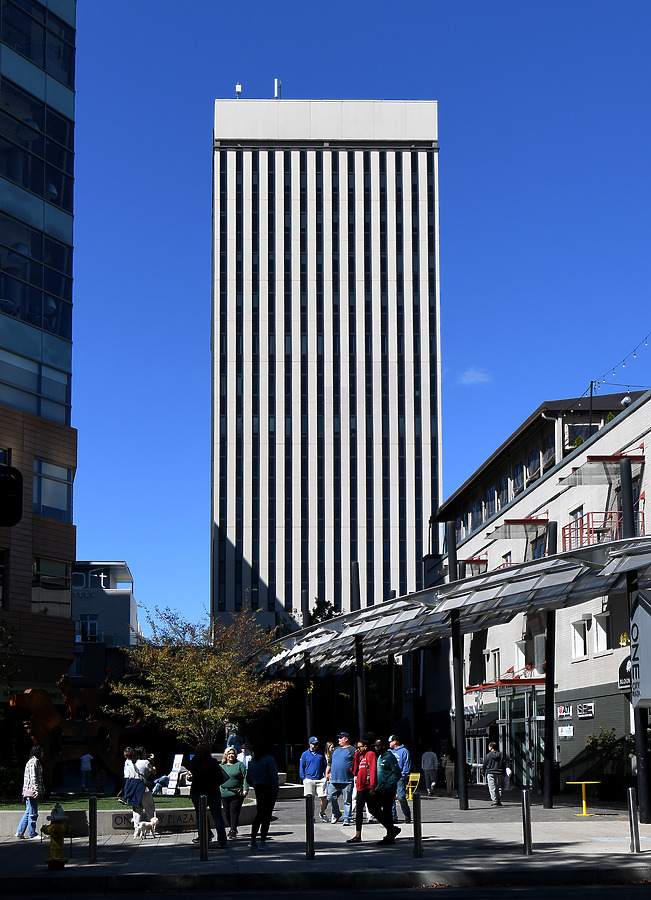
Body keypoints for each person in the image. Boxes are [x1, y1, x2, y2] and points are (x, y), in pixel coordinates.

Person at [188, 743, 228, 847]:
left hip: (197, 791)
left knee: (200, 816)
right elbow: (220, 777)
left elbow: (194, 775)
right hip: (213, 791)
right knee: (218, 816)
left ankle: (204, 838)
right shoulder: (213, 762)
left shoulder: (194, 763)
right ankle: (222, 841)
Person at [368, 736, 402, 845]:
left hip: (387, 790)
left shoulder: (389, 757)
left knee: (386, 811)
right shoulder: (381, 757)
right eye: (375, 746)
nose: (376, 748)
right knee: (373, 808)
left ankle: (390, 834)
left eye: (378, 746)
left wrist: (387, 786)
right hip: (380, 788)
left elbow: (397, 773)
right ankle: (391, 829)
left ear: (384, 746)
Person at [346, 733, 377, 844]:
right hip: (360, 787)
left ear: (365, 746)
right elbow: (354, 771)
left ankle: (390, 828)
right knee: (359, 811)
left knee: (373, 810)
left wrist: (372, 786)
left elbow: (372, 771)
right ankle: (358, 835)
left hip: (368, 787)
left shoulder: (370, 754)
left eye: (359, 747)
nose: (358, 749)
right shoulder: (361, 756)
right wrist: (356, 757)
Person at [247, 743, 279, 850]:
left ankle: (252, 840)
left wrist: (255, 784)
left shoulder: (252, 763)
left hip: (258, 788)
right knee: (266, 816)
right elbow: (274, 776)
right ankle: (263, 841)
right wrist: (276, 789)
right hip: (269, 789)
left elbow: (248, 779)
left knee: (259, 814)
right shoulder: (269, 760)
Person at [15, 744, 45, 839]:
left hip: (29, 791)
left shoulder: (32, 761)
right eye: (42, 751)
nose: (43, 753)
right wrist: (37, 791)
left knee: (28, 811)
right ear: (38, 752)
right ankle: (32, 833)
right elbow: (34, 778)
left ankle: (19, 832)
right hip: (32, 791)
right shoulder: (34, 762)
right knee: (33, 812)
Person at [220, 746, 249, 839]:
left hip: (236, 793)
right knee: (226, 812)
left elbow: (245, 777)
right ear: (226, 755)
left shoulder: (239, 765)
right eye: (229, 754)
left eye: (232, 754)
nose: (231, 755)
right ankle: (233, 827)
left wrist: (245, 789)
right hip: (224, 792)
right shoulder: (221, 766)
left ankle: (233, 830)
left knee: (234, 811)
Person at [327, 732, 355, 825]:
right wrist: (327, 773)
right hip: (334, 779)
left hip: (347, 780)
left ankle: (347, 818)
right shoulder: (335, 750)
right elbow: (329, 763)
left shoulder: (352, 750)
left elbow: (356, 763)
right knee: (331, 796)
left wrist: (355, 775)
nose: (338, 740)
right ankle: (336, 813)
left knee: (347, 800)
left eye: (340, 738)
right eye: (338, 738)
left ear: (346, 739)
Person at [299, 736, 327, 820]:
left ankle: (322, 812)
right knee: (310, 799)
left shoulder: (321, 754)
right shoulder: (304, 754)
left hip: (320, 779)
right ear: (310, 744)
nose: (315, 746)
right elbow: (302, 767)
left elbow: (325, 765)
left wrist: (325, 776)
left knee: (323, 796)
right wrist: (303, 778)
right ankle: (311, 816)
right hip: (309, 779)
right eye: (313, 744)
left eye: (316, 744)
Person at [389, 735, 412, 824]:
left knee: (401, 796)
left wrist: (403, 774)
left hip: (399, 777)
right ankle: (393, 816)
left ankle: (407, 814)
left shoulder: (404, 751)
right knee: (391, 798)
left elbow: (407, 764)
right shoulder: (389, 752)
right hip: (391, 777)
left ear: (395, 742)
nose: (389, 744)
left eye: (390, 742)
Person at [134, 746, 156, 823]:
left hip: (135, 788)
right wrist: (153, 762)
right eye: (145, 752)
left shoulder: (133, 763)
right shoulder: (146, 763)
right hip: (145, 788)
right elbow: (154, 772)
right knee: (150, 808)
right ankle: (152, 827)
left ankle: (137, 828)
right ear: (142, 753)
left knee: (137, 809)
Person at [482, 741, 505, 806]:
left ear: (491, 747)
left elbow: (485, 764)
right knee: (499, 787)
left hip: (491, 772)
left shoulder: (488, 755)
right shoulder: (500, 755)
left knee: (492, 787)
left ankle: (494, 800)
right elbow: (503, 764)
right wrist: (503, 772)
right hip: (499, 772)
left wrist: (483, 772)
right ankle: (499, 800)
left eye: (489, 746)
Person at [319, 741, 335, 821]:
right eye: (331, 747)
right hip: (326, 778)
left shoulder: (334, 755)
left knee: (332, 797)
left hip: (333, 777)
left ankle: (333, 814)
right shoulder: (324, 756)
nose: (333, 749)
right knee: (327, 797)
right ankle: (322, 812)